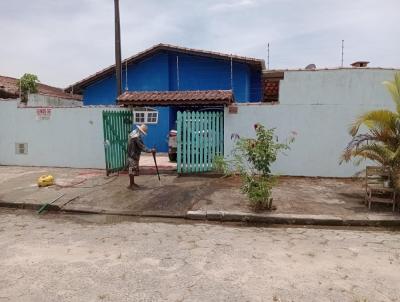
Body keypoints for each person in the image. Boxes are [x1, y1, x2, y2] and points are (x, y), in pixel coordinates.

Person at [127, 124, 155, 190]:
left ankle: (132, 183)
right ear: (141, 130)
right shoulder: (137, 137)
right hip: (133, 154)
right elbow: (142, 147)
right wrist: (151, 150)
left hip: (131, 153)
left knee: (132, 169)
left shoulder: (133, 133)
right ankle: (131, 185)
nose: (142, 134)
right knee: (132, 170)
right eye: (143, 132)